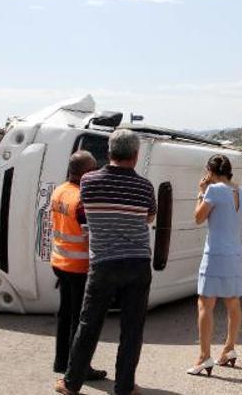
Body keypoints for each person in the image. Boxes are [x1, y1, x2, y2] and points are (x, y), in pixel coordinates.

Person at [55, 130, 157, 395]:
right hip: (137, 263)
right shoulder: (145, 186)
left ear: (109, 153)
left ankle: (71, 383)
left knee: (88, 324)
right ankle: (124, 387)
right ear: (135, 156)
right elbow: (148, 218)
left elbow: (87, 213)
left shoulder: (88, 181)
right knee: (132, 329)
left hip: (103, 264)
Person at [187, 154, 242, 376]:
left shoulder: (213, 190)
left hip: (215, 254)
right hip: (234, 253)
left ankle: (204, 356)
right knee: (233, 302)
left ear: (210, 172)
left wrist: (200, 192)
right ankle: (230, 348)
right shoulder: (241, 191)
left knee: (205, 305)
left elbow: (198, 217)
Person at [50, 150, 106, 381]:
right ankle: (79, 367)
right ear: (86, 172)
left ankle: (61, 362)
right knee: (80, 320)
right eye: (93, 170)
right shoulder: (82, 199)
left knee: (65, 315)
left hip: (60, 262)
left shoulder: (60, 191)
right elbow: (90, 234)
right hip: (78, 266)